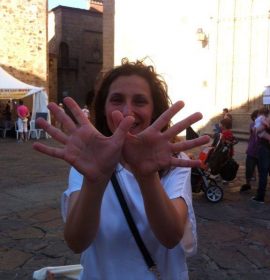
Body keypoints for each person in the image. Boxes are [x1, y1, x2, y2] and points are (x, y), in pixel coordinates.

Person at [33, 59, 209, 279]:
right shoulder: (87, 163)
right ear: (104, 107)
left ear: (154, 110)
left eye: (140, 101)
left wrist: (146, 175)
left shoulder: (174, 162)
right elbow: (76, 241)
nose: (127, 111)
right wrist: (96, 180)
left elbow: (171, 236)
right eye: (116, 100)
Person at [240, 110, 259, 192]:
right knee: (249, 168)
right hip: (252, 150)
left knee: (262, 169)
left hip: (261, 152)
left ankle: (260, 186)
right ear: (254, 118)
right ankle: (248, 184)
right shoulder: (253, 125)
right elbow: (254, 133)